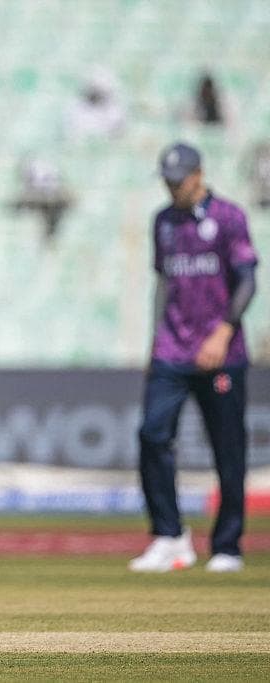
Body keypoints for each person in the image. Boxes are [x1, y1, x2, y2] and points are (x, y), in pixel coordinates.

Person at [130, 142, 259, 574]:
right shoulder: (163, 222)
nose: (172, 189)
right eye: (166, 181)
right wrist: (154, 340)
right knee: (151, 434)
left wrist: (223, 333)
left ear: (198, 175)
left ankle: (227, 545)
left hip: (221, 352)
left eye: (178, 180)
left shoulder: (229, 218)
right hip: (172, 349)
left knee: (228, 449)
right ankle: (169, 537)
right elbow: (163, 284)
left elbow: (247, 282)